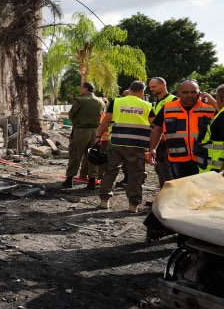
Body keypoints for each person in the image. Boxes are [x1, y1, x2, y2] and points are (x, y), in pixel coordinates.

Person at [96, 80, 152, 212]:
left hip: (116, 142)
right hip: (137, 145)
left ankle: (104, 200)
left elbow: (106, 121)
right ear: (142, 92)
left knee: (111, 170)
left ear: (130, 89)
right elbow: (155, 125)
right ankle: (133, 204)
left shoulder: (116, 102)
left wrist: (98, 136)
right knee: (135, 173)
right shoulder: (147, 105)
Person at [149, 79, 216, 179]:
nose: (190, 95)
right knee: (182, 189)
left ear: (200, 92)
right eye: (185, 92)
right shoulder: (168, 107)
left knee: (202, 189)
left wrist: (214, 102)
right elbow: (158, 129)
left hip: (203, 157)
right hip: (178, 158)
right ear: (179, 93)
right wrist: (152, 149)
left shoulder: (210, 107)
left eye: (193, 92)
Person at [63, 81, 104, 189]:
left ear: (86, 89)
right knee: (92, 156)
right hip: (95, 131)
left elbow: (71, 114)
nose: (80, 90)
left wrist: (74, 124)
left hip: (81, 131)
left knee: (75, 154)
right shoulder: (100, 102)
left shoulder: (80, 100)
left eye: (81, 88)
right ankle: (92, 181)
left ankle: (69, 179)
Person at [148, 77, 177, 187]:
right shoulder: (157, 102)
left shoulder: (173, 100)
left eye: (154, 86)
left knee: (167, 173)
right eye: (150, 87)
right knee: (159, 171)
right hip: (158, 142)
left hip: (167, 143)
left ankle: (169, 200)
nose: (151, 89)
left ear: (163, 85)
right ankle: (162, 196)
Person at [198, 84, 224, 173]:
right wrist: (213, 102)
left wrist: (222, 172)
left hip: (217, 170)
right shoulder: (222, 114)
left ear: (220, 98)